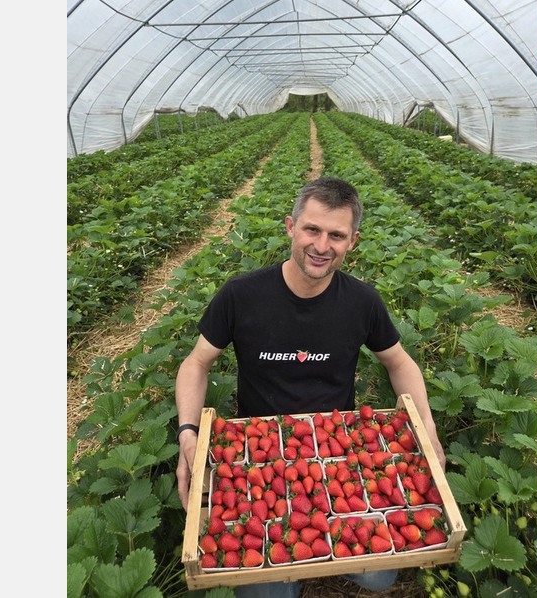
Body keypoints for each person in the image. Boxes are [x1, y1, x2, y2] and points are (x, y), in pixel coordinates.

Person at [174, 176, 445, 597]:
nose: (321, 246)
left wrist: (426, 427)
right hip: (256, 451)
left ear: (352, 241)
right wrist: (188, 433)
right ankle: (295, 566)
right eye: (311, 230)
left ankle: (313, 555)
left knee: (380, 575)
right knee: (266, 592)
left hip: (339, 449)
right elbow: (196, 363)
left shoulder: (362, 302)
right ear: (290, 226)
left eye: (336, 235)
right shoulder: (242, 295)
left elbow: (399, 361)